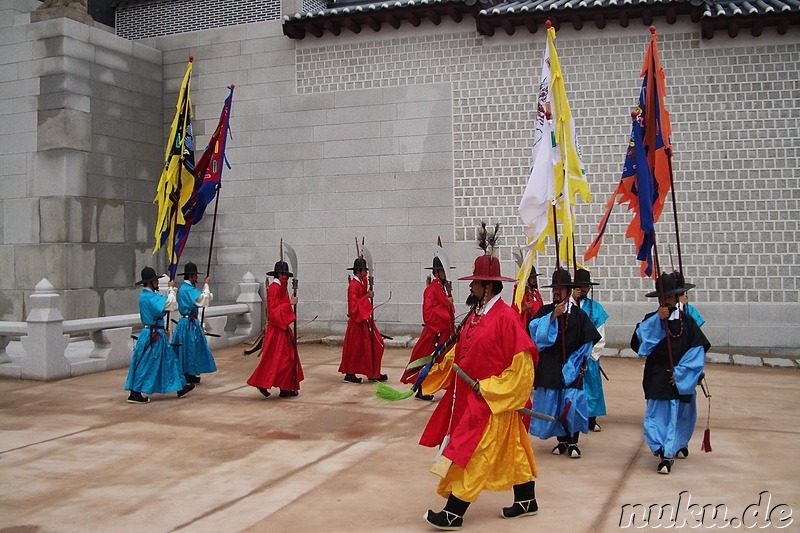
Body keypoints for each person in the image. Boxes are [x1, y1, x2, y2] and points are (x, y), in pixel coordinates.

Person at [419, 243, 540, 530]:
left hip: (491, 401)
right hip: (471, 399)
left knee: (474, 453)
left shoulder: (506, 318)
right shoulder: (477, 314)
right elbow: (463, 350)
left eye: (474, 282)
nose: (470, 287)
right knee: (514, 450)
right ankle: (526, 500)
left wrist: (490, 388)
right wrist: (438, 365)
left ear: (487, 287)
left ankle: (454, 512)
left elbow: (522, 368)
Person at [630, 272, 710, 475]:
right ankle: (663, 450)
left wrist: (683, 373)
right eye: (661, 298)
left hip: (679, 378)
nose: (665, 301)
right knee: (657, 417)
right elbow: (639, 345)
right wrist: (657, 321)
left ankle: (670, 451)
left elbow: (697, 350)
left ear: (676, 298)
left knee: (679, 416)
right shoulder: (650, 319)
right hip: (657, 376)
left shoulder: (687, 322)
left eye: (668, 297)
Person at [529, 268, 601, 458]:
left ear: (568, 291)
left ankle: (573, 441)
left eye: (560, 289)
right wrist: (553, 317)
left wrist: (574, 364)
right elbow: (536, 334)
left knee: (572, 403)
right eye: (554, 289)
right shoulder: (545, 312)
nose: (556, 292)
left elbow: (588, 342)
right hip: (551, 365)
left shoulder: (578, 315)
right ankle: (561, 439)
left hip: (573, 366)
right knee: (554, 403)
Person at [124, 266, 194, 403]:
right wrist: (171, 290)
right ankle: (135, 393)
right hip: (153, 334)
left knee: (170, 360)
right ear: (150, 282)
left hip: (155, 332)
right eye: (155, 281)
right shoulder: (148, 297)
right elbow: (171, 305)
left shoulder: (147, 296)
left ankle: (180, 386)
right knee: (146, 363)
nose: (157, 283)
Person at [401, 255, 455, 401]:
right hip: (434, 332)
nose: (446, 274)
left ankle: (432, 387)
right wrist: (446, 307)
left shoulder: (444, 288)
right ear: (437, 273)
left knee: (444, 361)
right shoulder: (431, 290)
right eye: (443, 271)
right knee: (428, 360)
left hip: (445, 331)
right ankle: (423, 388)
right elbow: (428, 313)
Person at [247, 260, 304, 398]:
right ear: (279, 274)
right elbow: (273, 312)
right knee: (282, 359)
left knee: (286, 359)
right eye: (285, 275)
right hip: (277, 329)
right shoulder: (274, 288)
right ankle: (275, 385)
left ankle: (285, 387)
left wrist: (289, 302)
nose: (287, 278)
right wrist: (289, 304)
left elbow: (281, 305)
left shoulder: (281, 288)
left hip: (283, 328)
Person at [339, 257, 386, 384]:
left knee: (376, 344)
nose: (365, 273)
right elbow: (353, 308)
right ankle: (350, 374)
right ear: (359, 271)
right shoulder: (353, 286)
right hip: (357, 321)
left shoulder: (360, 282)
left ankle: (373, 372)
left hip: (364, 319)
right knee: (355, 349)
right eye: (364, 270)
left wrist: (370, 282)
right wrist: (367, 296)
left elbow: (365, 284)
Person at [573, 268, 608, 432]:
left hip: (589, 354)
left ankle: (591, 418)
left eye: (587, 286)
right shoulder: (569, 305)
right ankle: (574, 416)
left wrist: (591, 354)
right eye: (581, 286)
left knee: (592, 386)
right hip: (573, 356)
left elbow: (600, 332)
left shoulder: (596, 308)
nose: (584, 289)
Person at [172, 262, 217, 385]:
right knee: (189, 348)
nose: (197, 278)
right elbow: (203, 299)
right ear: (191, 276)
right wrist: (206, 285)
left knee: (192, 348)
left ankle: (191, 372)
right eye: (195, 276)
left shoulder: (187, 289)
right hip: (188, 324)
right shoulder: (187, 289)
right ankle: (187, 373)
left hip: (189, 322)